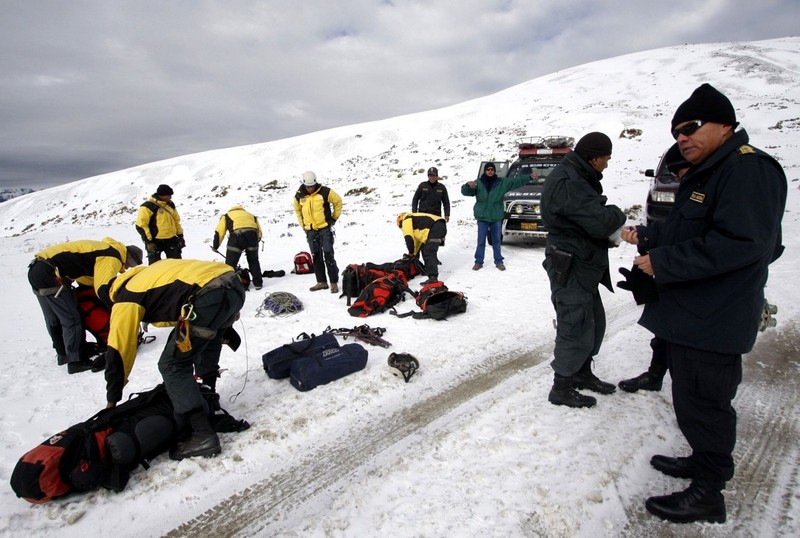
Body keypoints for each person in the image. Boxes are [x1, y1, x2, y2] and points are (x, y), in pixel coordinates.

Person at [622, 83, 786, 524]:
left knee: (707, 405)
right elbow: (696, 232)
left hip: (714, 317)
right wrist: (653, 239)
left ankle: (709, 492)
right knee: (692, 400)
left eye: (691, 127)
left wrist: (664, 262)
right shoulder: (711, 172)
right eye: (677, 132)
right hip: (692, 314)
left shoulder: (748, 171)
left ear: (725, 125)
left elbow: (748, 244)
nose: (683, 138)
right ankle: (701, 459)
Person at [103, 259, 246, 460]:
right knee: (207, 340)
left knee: (172, 364)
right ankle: (210, 402)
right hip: (232, 283)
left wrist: (112, 400)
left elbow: (118, 350)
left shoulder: (125, 296)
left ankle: (202, 434)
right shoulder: (151, 276)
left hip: (210, 294)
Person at [539, 132, 627, 408]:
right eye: (606, 159)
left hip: (582, 263)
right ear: (594, 157)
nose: (607, 165)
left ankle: (581, 373)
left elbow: (586, 220)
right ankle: (561, 387)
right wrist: (617, 214)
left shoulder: (577, 175)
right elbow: (599, 221)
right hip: (571, 264)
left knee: (592, 322)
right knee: (574, 323)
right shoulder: (569, 182)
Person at [618, 144, 691, 393]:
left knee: (693, 344)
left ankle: (690, 390)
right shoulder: (688, 193)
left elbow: (726, 245)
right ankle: (655, 375)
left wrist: (662, 261)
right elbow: (675, 230)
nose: (678, 180)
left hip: (706, 283)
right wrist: (646, 238)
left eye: (681, 173)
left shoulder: (726, 188)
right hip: (676, 270)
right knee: (665, 325)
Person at [28, 238, 143, 374]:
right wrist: (116, 309)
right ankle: (76, 362)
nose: (128, 267)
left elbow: (87, 280)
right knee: (72, 319)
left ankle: (63, 354)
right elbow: (102, 288)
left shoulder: (102, 249)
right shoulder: (113, 256)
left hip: (36, 270)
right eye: (131, 264)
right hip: (51, 273)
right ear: (128, 256)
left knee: (54, 318)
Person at [461, 162, 529, 270]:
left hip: (496, 216)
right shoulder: (478, 183)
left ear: (494, 171)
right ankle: (478, 262)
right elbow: (466, 192)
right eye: (488, 169)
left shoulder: (502, 182)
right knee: (481, 241)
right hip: (482, 217)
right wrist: (467, 186)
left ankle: (498, 262)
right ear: (485, 171)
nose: (490, 171)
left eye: (492, 169)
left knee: (496, 240)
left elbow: (516, 181)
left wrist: (529, 177)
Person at [293, 171, 342, 293]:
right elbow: (297, 210)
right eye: (308, 186)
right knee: (316, 257)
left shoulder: (325, 192)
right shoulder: (299, 196)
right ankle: (321, 282)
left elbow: (338, 202)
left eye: (312, 186)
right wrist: (303, 225)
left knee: (328, 255)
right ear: (304, 184)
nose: (310, 189)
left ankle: (333, 282)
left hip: (324, 229)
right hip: (310, 231)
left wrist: (334, 218)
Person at [212, 205, 264, 290]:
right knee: (253, 261)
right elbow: (259, 231)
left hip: (236, 238)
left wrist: (215, 246)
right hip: (252, 237)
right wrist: (254, 242)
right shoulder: (251, 215)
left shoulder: (227, 216)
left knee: (230, 264)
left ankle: (229, 286)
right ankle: (258, 283)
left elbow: (219, 232)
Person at [135, 184, 184, 264]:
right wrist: (149, 242)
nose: (170, 197)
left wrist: (180, 236)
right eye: (169, 195)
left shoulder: (170, 204)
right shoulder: (147, 207)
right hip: (155, 241)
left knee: (177, 264)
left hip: (171, 239)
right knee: (155, 267)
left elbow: (176, 221)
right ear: (162, 195)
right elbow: (141, 225)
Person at [396, 212, 447, 284]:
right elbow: (417, 243)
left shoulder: (406, 219)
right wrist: (413, 254)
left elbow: (409, 237)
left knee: (429, 252)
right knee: (426, 249)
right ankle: (428, 270)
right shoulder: (416, 222)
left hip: (434, 227)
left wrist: (410, 252)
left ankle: (433, 277)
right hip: (440, 225)